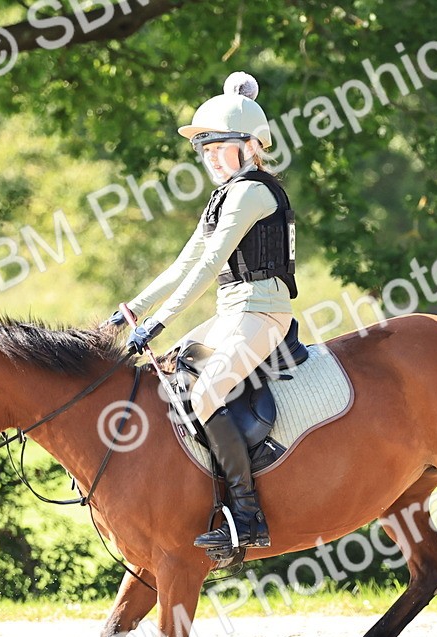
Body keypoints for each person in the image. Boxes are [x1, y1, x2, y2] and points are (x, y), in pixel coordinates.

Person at [105, 71, 297, 552]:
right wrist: (132, 309)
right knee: (170, 380)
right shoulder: (225, 194)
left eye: (217, 147)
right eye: (204, 148)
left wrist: (158, 322)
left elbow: (211, 265)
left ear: (249, 145)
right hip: (231, 314)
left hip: (262, 314)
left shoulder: (254, 191)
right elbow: (185, 262)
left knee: (208, 392)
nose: (209, 156)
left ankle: (248, 516)